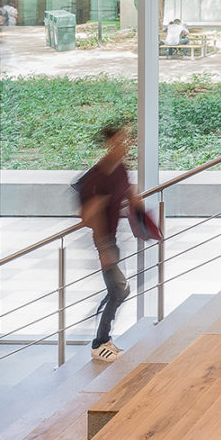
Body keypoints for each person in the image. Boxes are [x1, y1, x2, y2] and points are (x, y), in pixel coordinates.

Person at [74, 121, 145, 363]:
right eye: (120, 140)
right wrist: (103, 247)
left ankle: (103, 337)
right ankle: (99, 343)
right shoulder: (99, 175)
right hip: (104, 242)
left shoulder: (120, 169)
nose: (126, 144)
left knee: (118, 290)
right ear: (109, 143)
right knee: (118, 291)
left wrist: (137, 206)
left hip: (112, 240)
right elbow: (87, 216)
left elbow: (128, 193)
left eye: (127, 139)